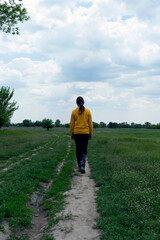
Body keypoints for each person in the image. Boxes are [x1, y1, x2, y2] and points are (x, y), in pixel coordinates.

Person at [70, 96, 93, 174]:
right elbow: (90, 124)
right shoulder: (88, 111)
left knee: (78, 150)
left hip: (77, 133)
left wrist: (71, 133)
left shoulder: (74, 112)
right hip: (85, 133)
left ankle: (80, 167)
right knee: (84, 150)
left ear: (76, 103)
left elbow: (72, 124)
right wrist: (91, 133)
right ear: (83, 102)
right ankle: (83, 166)